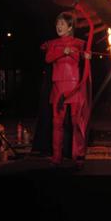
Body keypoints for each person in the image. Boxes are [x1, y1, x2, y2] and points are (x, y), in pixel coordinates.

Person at [41, 12, 91, 166]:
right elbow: (48, 58)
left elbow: (84, 58)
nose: (58, 26)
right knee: (57, 123)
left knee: (76, 122)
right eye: (57, 23)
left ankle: (79, 155)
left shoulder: (78, 43)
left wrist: (87, 57)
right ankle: (57, 156)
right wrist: (62, 51)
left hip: (74, 86)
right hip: (59, 87)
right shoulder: (52, 43)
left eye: (62, 24)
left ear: (70, 27)